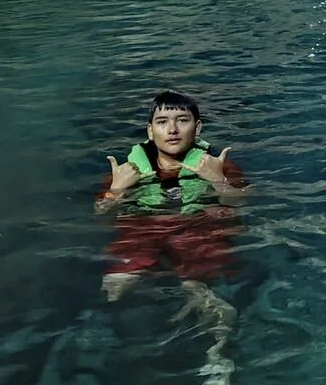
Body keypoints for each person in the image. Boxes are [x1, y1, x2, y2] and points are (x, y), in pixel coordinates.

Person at [97, 91, 248, 380]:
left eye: (182, 120)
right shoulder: (127, 172)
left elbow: (242, 201)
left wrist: (219, 181)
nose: (173, 129)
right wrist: (116, 191)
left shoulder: (218, 167)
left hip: (196, 230)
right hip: (144, 230)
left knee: (205, 293)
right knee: (115, 286)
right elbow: (100, 214)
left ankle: (217, 356)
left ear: (198, 128)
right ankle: (110, 351)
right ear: (150, 131)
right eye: (162, 121)